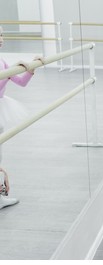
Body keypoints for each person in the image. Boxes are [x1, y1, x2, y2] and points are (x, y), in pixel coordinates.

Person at [1, 25, 42, 209]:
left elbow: (21, 83)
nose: (1, 38)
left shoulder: (1, 61)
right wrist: (14, 69)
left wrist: (30, 68)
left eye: (1, 34)